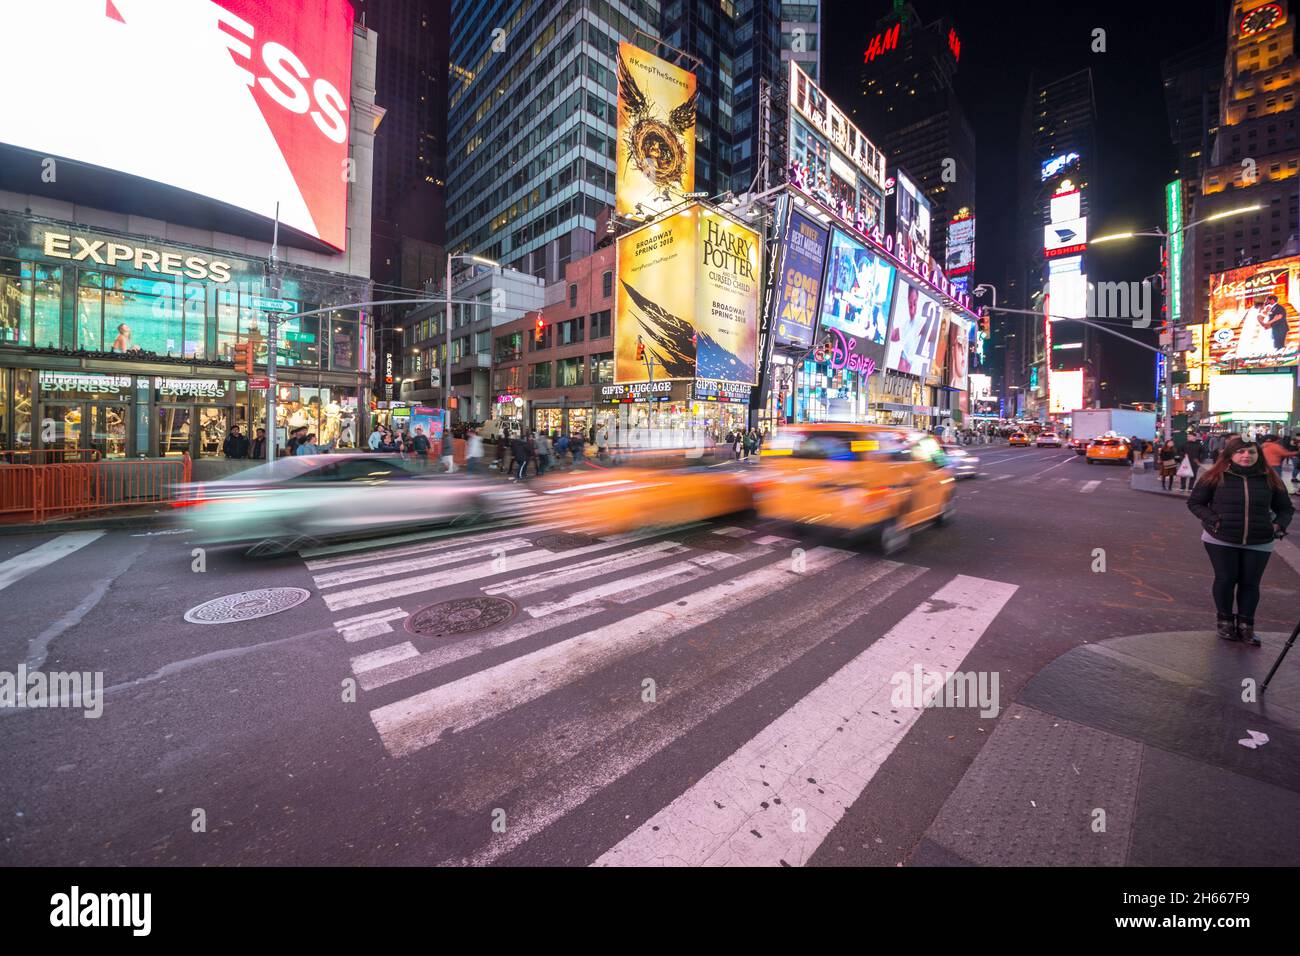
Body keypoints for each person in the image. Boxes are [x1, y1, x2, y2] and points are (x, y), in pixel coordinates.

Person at [1187, 436, 1294, 646]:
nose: (1246, 456)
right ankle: (1225, 622)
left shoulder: (1270, 478)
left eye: (1251, 452)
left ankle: (1246, 627)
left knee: (1250, 584)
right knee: (1226, 579)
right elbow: (1195, 503)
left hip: (1259, 540)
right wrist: (1214, 520)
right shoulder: (1215, 476)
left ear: (1258, 455)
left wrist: (1278, 525)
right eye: (1241, 451)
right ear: (1231, 454)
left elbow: (1285, 508)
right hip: (1220, 538)